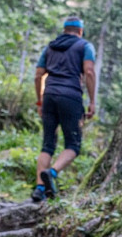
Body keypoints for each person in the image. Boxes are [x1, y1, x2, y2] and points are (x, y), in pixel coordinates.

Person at [31, 16, 96, 202]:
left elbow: (38, 76)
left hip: (49, 96)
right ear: (80, 31)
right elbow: (89, 72)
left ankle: (39, 189)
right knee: (73, 145)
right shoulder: (85, 46)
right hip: (71, 97)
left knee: (47, 144)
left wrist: (39, 101)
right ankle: (51, 173)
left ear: (64, 29)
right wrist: (92, 101)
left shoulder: (49, 47)